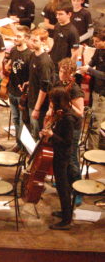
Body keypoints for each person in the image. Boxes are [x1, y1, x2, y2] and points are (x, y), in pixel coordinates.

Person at [46, 87, 78, 230]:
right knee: (60, 186)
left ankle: (66, 220)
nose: (50, 104)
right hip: (58, 153)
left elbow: (67, 142)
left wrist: (52, 135)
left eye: (52, 101)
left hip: (63, 156)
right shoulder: (61, 114)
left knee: (63, 187)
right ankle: (65, 212)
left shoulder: (68, 119)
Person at [53, 58, 84, 205]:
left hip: (73, 127)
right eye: (60, 71)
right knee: (62, 157)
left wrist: (67, 102)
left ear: (71, 74)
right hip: (62, 123)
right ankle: (65, 181)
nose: (61, 74)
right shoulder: (59, 84)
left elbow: (80, 112)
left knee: (71, 158)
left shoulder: (75, 89)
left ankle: (78, 190)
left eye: (64, 72)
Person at [5, 25, 31, 150]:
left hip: (22, 94)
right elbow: (10, 64)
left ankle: (24, 147)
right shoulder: (14, 50)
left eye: (19, 36)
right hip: (12, 89)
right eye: (16, 36)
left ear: (26, 39)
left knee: (22, 122)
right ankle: (18, 144)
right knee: (15, 119)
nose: (16, 38)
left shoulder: (29, 55)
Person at [79, 28, 105, 150]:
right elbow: (92, 62)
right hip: (95, 89)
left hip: (102, 93)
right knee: (92, 121)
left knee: (95, 124)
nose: (94, 44)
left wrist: (89, 70)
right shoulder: (98, 50)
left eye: (97, 41)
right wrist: (82, 67)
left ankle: (92, 151)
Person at [27, 29, 54, 138]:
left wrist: (37, 109)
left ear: (43, 42)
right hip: (32, 99)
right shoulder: (33, 55)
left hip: (40, 106)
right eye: (31, 39)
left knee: (37, 135)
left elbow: (44, 88)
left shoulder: (44, 62)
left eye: (35, 41)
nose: (31, 43)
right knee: (31, 131)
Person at [49, 1, 79, 68]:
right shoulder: (57, 25)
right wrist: (49, 51)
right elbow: (55, 42)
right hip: (52, 61)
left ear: (69, 14)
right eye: (57, 14)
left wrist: (70, 67)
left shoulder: (72, 31)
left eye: (60, 14)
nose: (57, 17)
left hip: (63, 65)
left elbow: (76, 52)